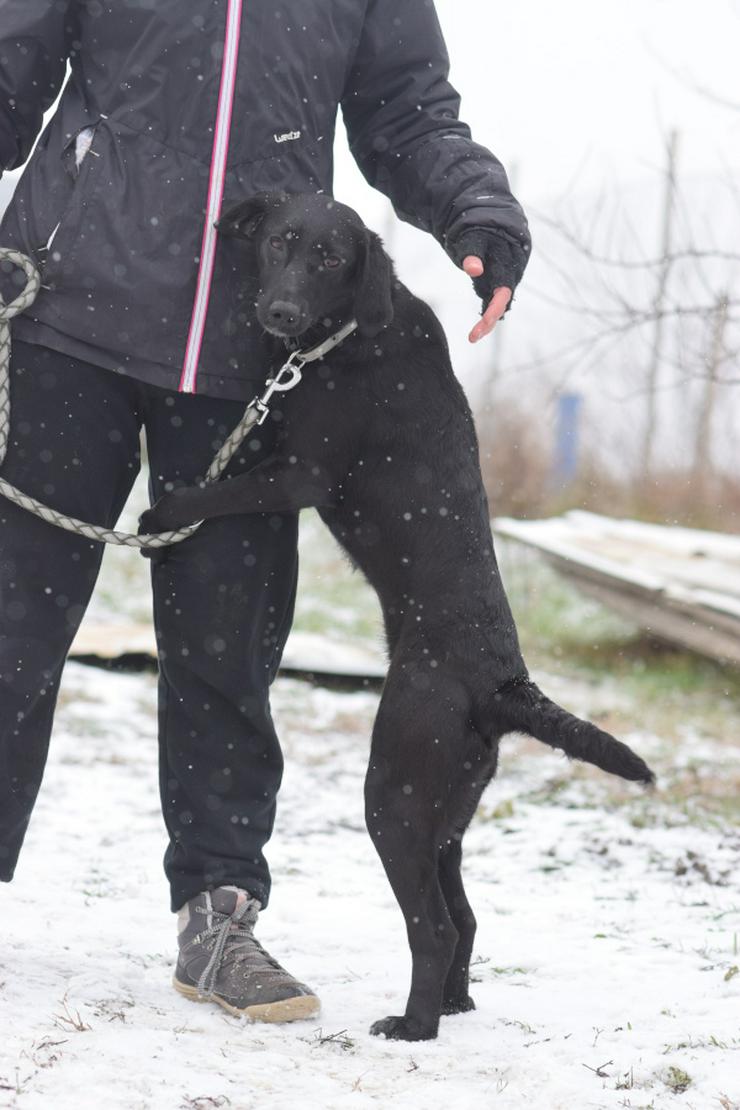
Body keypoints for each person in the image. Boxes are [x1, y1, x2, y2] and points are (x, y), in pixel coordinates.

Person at [0, 0, 530, 1022]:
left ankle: (218, 911)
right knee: (9, 630)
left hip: (256, 354)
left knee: (227, 649)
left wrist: (477, 212)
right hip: (70, 318)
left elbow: (406, 112)